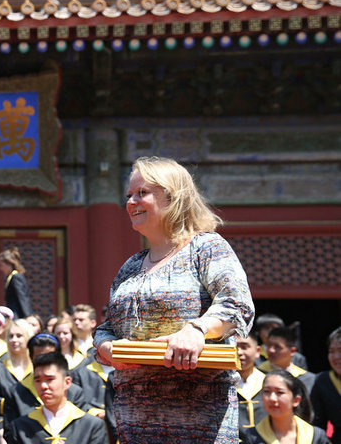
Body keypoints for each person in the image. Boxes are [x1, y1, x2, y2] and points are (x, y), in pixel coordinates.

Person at [94, 156, 255, 444]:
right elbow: (107, 327)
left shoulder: (205, 248)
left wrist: (196, 330)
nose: (131, 202)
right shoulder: (131, 266)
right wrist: (106, 347)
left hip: (199, 420)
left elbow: (237, 304)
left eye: (142, 193)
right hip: (135, 421)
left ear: (173, 196)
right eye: (129, 195)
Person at [4, 352, 108, 444]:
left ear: (67, 382)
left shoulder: (91, 426)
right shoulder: (21, 427)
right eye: (38, 380)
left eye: (49, 379)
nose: (43, 386)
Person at [241, 370, 330, 444]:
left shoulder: (316, 436)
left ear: (296, 400)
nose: (272, 398)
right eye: (266, 391)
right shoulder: (252, 437)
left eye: (279, 392)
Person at [309, 326, 341, 444]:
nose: (336, 357)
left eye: (340, 351)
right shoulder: (323, 381)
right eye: (332, 351)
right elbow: (318, 423)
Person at [259, 327, 315, 392]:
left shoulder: (307, 379)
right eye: (269, 345)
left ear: (292, 351)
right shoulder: (257, 375)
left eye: (277, 347)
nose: (271, 350)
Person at [237, 333, 268, 432]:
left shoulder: (268, 382)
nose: (239, 352)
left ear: (258, 351)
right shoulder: (220, 384)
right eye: (234, 347)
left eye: (244, 347)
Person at [0, 248, 33, 319]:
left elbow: (22, 297)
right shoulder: (10, 277)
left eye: (1, 265)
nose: (0, 268)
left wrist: (28, 316)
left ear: (9, 263)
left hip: (17, 315)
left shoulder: (16, 277)